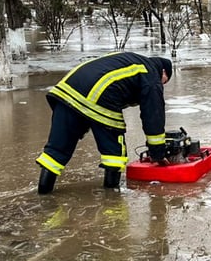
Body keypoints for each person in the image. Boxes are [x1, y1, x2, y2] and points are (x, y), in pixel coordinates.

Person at [35, 52, 172, 194]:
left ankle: (43, 194)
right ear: (163, 71)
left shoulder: (132, 61)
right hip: (99, 95)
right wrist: (158, 154)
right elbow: (153, 116)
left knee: (56, 151)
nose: (162, 84)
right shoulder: (151, 74)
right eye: (164, 81)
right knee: (114, 153)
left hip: (65, 90)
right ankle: (112, 198)